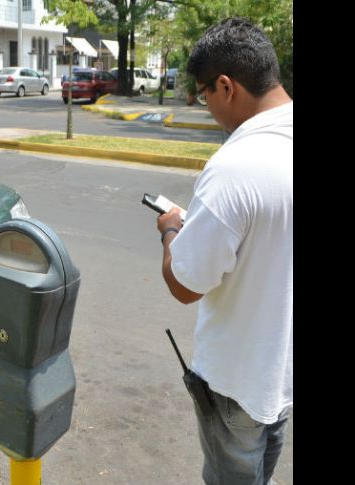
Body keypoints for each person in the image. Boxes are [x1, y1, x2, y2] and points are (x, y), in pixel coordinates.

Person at [154, 17, 292, 485]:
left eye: (203, 92)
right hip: (282, 374)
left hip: (238, 383)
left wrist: (172, 230)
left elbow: (185, 284)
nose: (205, 106)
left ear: (226, 86)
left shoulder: (235, 166)